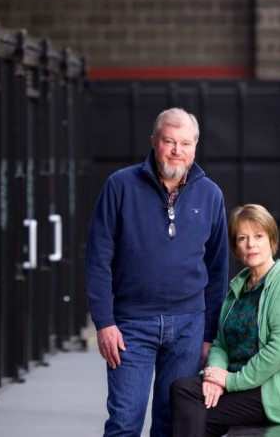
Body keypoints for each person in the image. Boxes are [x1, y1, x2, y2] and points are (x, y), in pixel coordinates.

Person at [85, 107, 229, 437]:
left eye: (186, 143)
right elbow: (97, 259)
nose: (177, 151)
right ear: (153, 142)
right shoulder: (119, 186)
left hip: (189, 328)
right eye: (169, 141)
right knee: (124, 423)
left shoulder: (211, 195)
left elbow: (218, 269)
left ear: (196, 146)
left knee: (170, 424)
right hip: (130, 327)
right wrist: (104, 322)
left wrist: (209, 336)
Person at [170, 203, 280, 437]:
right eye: (242, 238)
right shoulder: (238, 287)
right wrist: (214, 375)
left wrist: (230, 382)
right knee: (182, 390)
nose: (251, 244)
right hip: (240, 383)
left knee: (193, 416)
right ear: (236, 247)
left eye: (258, 236)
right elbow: (220, 342)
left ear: (271, 239)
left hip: (274, 390)